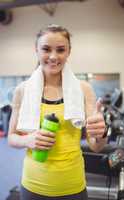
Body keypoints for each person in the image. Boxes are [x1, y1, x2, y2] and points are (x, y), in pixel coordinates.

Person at [8, 24, 107, 200]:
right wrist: (28, 139)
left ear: (68, 51)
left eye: (60, 50)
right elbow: (12, 138)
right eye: (46, 49)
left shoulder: (84, 90)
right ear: (36, 50)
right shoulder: (22, 90)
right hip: (33, 185)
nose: (53, 56)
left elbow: (96, 146)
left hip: (72, 186)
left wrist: (101, 132)